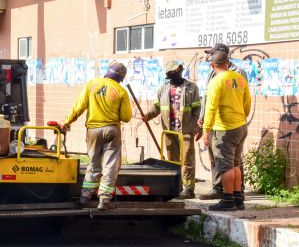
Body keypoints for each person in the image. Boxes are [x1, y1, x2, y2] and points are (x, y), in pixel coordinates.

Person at [61, 61, 132, 209]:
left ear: (108, 72)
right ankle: (104, 200)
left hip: (93, 130)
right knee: (110, 165)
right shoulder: (121, 91)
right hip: (112, 130)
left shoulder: (92, 84)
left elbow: (79, 107)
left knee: (93, 163)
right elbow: (126, 117)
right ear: (121, 77)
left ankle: (85, 196)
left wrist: (67, 122)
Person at [141, 60, 201, 199]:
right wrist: (147, 116)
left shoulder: (191, 87)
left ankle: (189, 188)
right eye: (172, 74)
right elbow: (157, 108)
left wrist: (196, 127)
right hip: (169, 131)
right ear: (169, 76)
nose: (175, 75)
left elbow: (197, 109)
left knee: (187, 159)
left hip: (185, 130)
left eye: (177, 72)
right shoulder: (163, 89)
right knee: (172, 160)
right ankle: (176, 185)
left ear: (180, 70)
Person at [197, 43, 249, 200]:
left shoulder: (225, 77)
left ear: (214, 63)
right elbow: (247, 102)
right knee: (232, 163)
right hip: (237, 124)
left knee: (226, 165)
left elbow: (211, 106)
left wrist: (206, 129)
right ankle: (236, 197)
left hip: (223, 127)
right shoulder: (237, 78)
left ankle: (228, 199)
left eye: (212, 55)